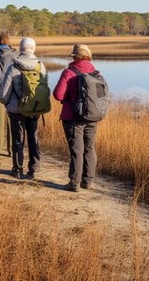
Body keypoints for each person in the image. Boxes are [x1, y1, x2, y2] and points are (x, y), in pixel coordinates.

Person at [53, 44, 101, 192]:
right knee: (89, 147)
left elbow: (58, 95)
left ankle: (74, 183)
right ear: (88, 57)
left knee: (76, 150)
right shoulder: (95, 73)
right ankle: (88, 181)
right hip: (92, 116)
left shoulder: (69, 72)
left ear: (75, 57)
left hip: (73, 117)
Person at [0, 37, 47, 180]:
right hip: (34, 109)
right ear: (33, 49)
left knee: (18, 140)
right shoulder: (41, 66)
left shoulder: (13, 67)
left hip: (16, 110)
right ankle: (34, 169)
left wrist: (7, 104)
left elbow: (3, 94)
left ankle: (18, 169)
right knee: (33, 137)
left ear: (20, 49)